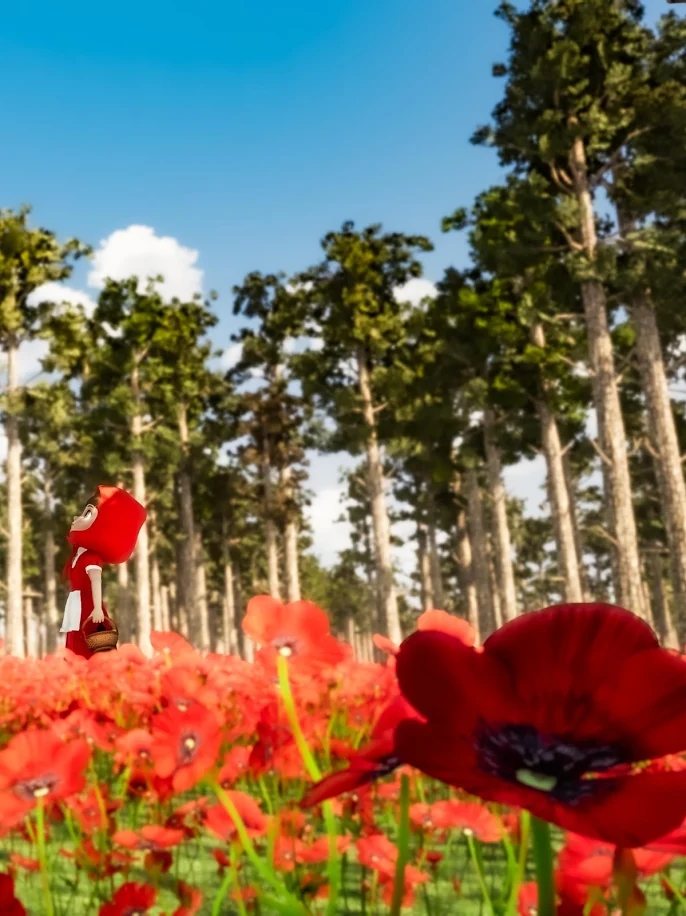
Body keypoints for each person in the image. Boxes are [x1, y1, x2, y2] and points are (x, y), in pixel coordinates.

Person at [61, 485, 147, 658]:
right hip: (77, 603)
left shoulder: (91, 557)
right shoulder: (79, 554)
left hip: (89, 606)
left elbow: (96, 581)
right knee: (74, 636)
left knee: (89, 640)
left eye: (87, 514)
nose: (76, 517)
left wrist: (97, 609)